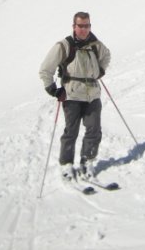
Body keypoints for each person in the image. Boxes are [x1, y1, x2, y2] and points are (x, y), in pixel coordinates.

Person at [39, 12, 111, 180]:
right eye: (81, 26)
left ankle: (87, 161)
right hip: (72, 95)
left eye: (87, 25)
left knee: (94, 130)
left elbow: (106, 55)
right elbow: (45, 69)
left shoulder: (95, 44)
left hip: (93, 94)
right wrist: (53, 89)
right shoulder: (64, 45)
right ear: (74, 26)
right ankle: (67, 164)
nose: (84, 29)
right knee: (71, 132)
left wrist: (100, 70)